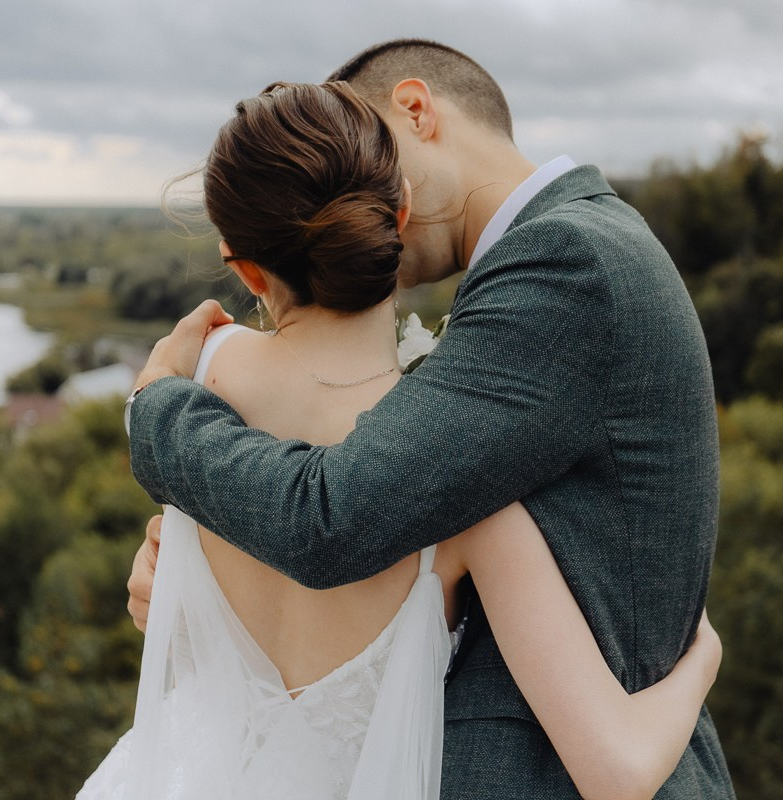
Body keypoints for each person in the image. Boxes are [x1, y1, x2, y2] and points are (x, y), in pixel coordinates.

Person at [125, 39, 735, 800]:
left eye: (374, 151)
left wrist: (154, 413)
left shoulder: (566, 261)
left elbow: (334, 516)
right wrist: (185, 568)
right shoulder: (545, 265)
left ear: (415, 112)